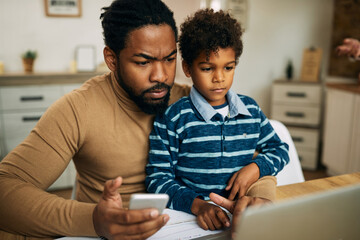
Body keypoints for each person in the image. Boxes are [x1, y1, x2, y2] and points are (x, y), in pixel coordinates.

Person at [0, 1, 278, 239]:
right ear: (112, 59)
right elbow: (5, 187)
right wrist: (94, 220)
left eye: (169, 59)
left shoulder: (193, 102)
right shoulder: (77, 109)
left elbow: (252, 159)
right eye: (143, 62)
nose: (161, 76)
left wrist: (260, 197)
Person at [146, 9, 289, 233]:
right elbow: (157, 179)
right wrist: (197, 206)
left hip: (243, 219)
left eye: (228, 67)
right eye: (207, 68)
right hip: (192, 220)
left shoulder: (250, 109)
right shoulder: (172, 118)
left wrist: (255, 168)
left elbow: (280, 150)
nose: (219, 78)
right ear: (187, 68)